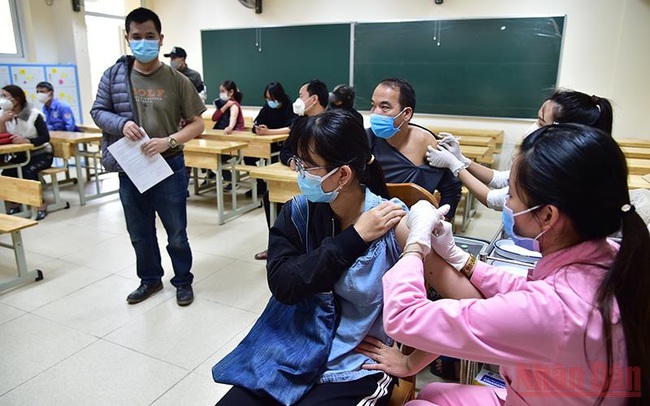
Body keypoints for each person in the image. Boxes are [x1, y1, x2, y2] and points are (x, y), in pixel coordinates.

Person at [359, 124, 650, 405]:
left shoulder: (556, 312)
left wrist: (415, 246)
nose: (506, 205)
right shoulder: (611, 255)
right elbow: (528, 289)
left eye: (511, 195)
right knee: (435, 392)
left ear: (548, 216)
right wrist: (463, 259)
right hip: (550, 389)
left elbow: (407, 318)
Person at [213, 109, 408, 406]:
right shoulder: (298, 212)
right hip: (292, 347)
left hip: (354, 364)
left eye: (307, 166)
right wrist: (353, 238)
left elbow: (447, 299)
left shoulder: (392, 220)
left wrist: (411, 361)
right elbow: (284, 284)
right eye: (297, 163)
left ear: (342, 175)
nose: (298, 173)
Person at [90, 7, 206, 306]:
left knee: (177, 233)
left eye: (150, 36)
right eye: (137, 36)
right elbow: (98, 112)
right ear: (127, 39)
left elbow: (197, 123)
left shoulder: (177, 79)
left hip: (169, 166)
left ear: (161, 39)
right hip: (131, 168)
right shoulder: (115, 75)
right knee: (140, 232)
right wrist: (121, 124)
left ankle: (182, 281)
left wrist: (169, 141)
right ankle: (150, 280)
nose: (144, 42)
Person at [426, 89, 614, 211]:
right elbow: (501, 179)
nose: (534, 126)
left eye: (541, 121)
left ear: (562, 132)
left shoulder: (557, 171)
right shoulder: (564, 160)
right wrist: (462, 159)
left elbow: (493, 199)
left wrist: (455, 165)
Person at [367, 78, 462, 219]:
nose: (375, 113)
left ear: (406, 114)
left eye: (385, 107)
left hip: (415, 224)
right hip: (373, 221)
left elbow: (451, 189)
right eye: (373, 106)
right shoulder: (366, 140)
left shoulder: (426, 143)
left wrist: (442, 221)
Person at [250, 81, 297, 260]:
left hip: (311, 178)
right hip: (291, 165)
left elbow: (289, 128)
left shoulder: (294, 110)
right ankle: (275, 245)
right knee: (270, 196)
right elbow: (285, 152)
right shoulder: (268, 108)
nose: (270, 102)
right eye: (267, 99)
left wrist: (269, 132)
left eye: (272, 99)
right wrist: (257, 128)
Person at [0, 84, 52, 220]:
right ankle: (14, 204)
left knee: (27, 171)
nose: (2, 99)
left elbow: (45, 137)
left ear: (16, 99)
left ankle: (40, 205)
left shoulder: (34, 115)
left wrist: (28, 141)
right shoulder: (5, 115)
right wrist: (2, 121)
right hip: (20, 155)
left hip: (41, 154)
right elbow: (3, 136)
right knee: (7, 173)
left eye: (5, 96)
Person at [278, 79, 328, 167]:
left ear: (314, 99)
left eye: (301, 96)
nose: (298, 100)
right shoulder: (299, 122)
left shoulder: (332, 124)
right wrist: (291, 160)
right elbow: (285, 151)